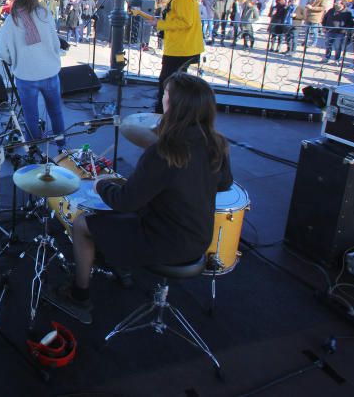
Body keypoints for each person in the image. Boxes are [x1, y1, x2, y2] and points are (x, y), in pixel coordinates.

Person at [44, 73, 233, 324]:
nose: (162, 98)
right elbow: (224, 182)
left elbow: (125, 201)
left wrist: (101, 184)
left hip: (165, 242)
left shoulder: (164, 152)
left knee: (82, 223)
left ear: (174, 105)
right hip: (199, 239)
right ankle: (118, 260)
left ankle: (79, 296)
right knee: (119, 217)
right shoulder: (216, 143)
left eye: (165, 94)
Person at [0, 0, 65, 150]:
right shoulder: (45, 14)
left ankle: (34, 149)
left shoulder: (12, 21)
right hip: (50, 72)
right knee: (55, 111)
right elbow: (56, 44)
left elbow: (1, 50)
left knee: (30, 116)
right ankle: (62, 145)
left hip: (26, 77)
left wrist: (12, 60)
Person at [136, 0, 204, 113]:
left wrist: (159, 24)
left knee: (167, 82)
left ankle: (163, 114)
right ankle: (173, 112)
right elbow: (177, 18)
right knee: (173, 82)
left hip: (182, 48)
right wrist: (157, 21)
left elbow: (186, 22)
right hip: (178, 47)